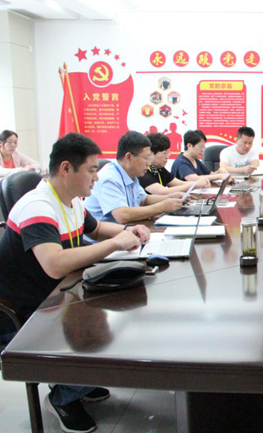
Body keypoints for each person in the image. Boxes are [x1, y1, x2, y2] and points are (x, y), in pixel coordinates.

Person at [0, 133, 150, 433]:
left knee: (127, 314)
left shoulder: (71, 201)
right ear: (66, 168)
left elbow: (96, 228)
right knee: (116, 337)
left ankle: (77, 380)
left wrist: (129, 230)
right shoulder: (38, 206)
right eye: (92, 170)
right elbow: (54, 264)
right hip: (26, 312)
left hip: (58, 295)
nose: (97, 177)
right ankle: (64, 395)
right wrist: (115, 244)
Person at [85, 131, 185, 224]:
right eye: (146, 158)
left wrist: (170, 197)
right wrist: (161, 207)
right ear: (129, 157)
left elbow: (144, 200)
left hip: (127, 230)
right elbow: (122, 215)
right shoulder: (109, 178)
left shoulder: (131, 175)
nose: (149, 163)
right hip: (108, 235)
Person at [138, 133, 209, 194]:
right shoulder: (143, 172)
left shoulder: (159, 169)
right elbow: (163, 192)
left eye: (168, 153)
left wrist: (197, 183)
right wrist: (195, 185)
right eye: (164, 153)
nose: (167, 157)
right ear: (150, 154)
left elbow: (180, 183)